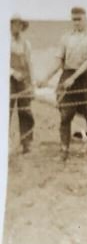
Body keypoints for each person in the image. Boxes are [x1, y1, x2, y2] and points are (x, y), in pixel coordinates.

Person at [38, 6, 87, 161]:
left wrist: (73, 77)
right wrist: (46, 78)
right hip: (68, 75)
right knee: (66, 115)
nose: (77, 22)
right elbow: (59, 60)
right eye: (74, 19)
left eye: (79, 19)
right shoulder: (66, 37)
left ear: (86, 19)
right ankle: (64, 151)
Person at [9, 14, 35, 153]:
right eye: (14, 24)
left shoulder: (26, 43)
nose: (17, 27)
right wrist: (13, 72)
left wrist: (32, 83)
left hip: (24, 80)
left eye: (20, 24)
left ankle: (26, 142)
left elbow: (29, 64)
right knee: (6, 111)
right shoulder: (5, 41)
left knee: (25, 110)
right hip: (8, 80)